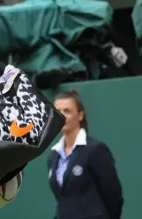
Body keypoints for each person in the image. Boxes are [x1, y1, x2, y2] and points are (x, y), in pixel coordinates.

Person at [47, 89, 124, 219]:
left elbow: (113, 196)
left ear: (80, 115)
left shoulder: (96, 150)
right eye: (57, 112)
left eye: (67, 111)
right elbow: (63, 200)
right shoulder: (53, 156)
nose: (61, 116)